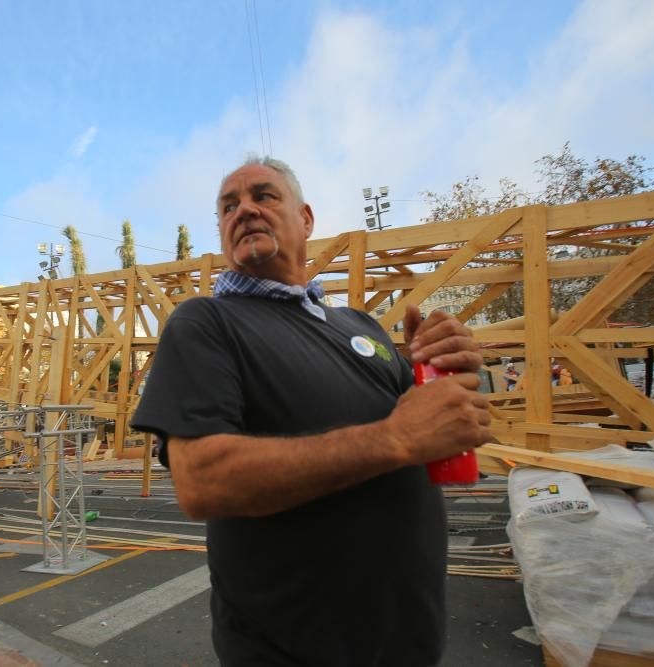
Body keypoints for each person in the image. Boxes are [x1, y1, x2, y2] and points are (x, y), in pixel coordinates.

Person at [132, 156, 491, 666]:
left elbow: (434, 436)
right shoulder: (207, 323)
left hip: (410, 644)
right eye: (229, 206)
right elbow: (201, 481)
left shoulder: (361, 327)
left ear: (306, 219)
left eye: (264, 195)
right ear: (221, 231)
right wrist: (395, 437)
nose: (245, 210)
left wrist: (443, 376)